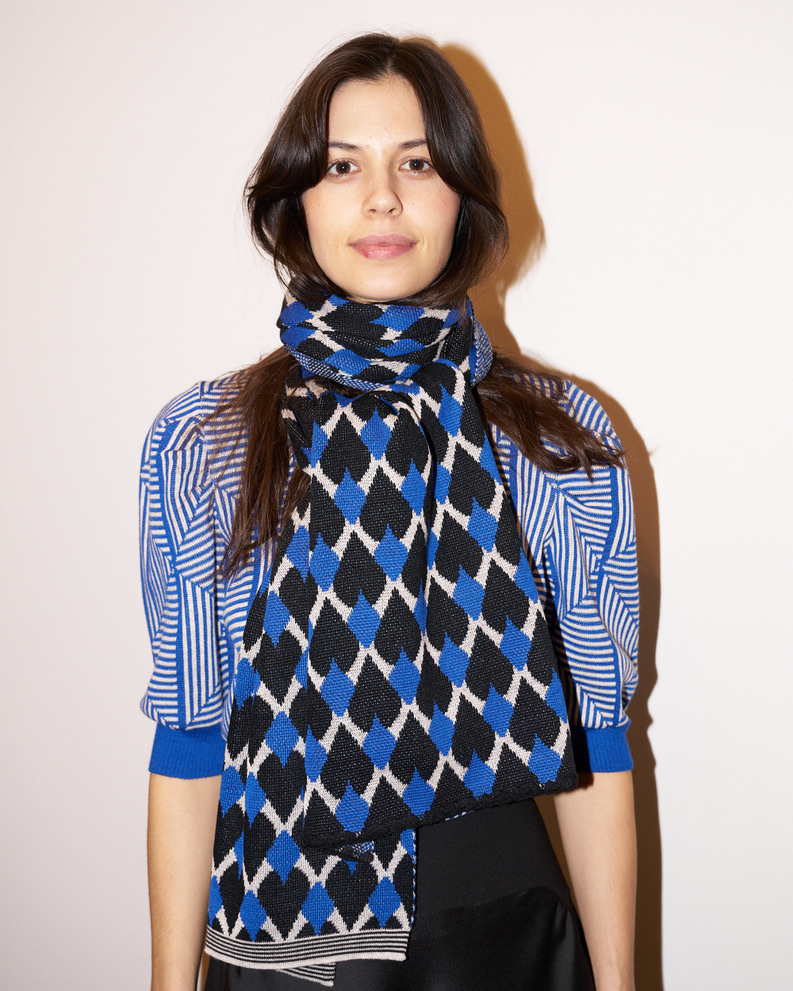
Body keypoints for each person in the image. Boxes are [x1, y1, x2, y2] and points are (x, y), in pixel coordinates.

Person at [140, 33, 638, 991]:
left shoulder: (560, 439)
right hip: (284, 947)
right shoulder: (205, 442)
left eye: (416, 163)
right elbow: (190, 737)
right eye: (341, 166)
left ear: (462, 194)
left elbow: (598, 744)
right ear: (296, 200)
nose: (381, 198)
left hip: (502, 939)